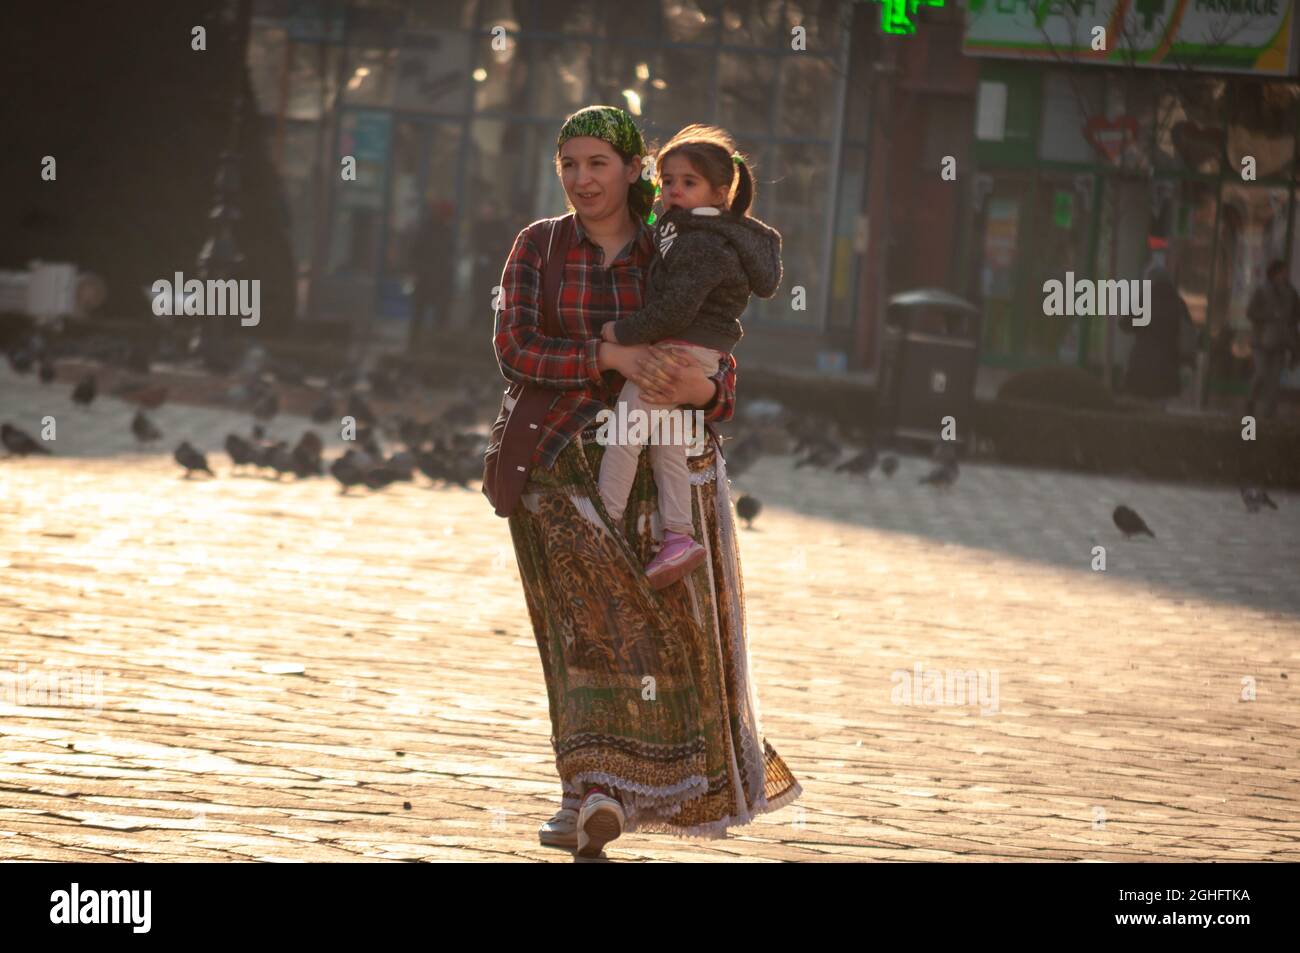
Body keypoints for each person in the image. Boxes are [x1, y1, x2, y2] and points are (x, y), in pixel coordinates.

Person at [492, 104, 802, 856]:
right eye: (569, 164)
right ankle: (590, 789)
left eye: (599, 163)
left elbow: (717, 371)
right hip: (560, 469)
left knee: (666, 649)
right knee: (580, 640)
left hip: (668, 483)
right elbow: (514, 347)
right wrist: (610, 357)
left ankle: (632, 789)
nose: (582, 179)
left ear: (636, 171)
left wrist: (697, 389)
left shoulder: (675, 246)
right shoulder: (538, 246)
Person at [596, 124, 782, 589]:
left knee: (624, 434)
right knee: (669, 443)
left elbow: (675, 308)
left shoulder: (703, 243)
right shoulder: (690, 229)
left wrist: (620, 333)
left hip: (678, 352)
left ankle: (602, 526)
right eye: (667, 180)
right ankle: (678, 536)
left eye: (688, 182)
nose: (673, 190)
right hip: (697, 354)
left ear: (720, 192)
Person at [1119, 262, 1189, 401]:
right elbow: (1187, 330)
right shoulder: (1178, 303)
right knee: (1162, 403)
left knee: (1140, 405)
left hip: (1142, 363)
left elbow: (1124, 325)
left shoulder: (1144, 300)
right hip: (1168, 364)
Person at [1245, 259, 1300, 418]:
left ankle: (1269, 411)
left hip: (1281, 341)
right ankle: (1251, 401)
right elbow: (1251, 312)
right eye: (1282, 271)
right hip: (1261, 340)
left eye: (1285, 272)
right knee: (1261, 373)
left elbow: (1295, 316)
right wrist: (1269, 317)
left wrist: (1292, 335)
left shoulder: (1292, 293)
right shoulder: (1262, 290)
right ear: (1274, 273)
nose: (1284, 275)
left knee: (1275, 378)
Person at [407, 199, 454, 348]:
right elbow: (416, 252)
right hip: (426, 276)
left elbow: (448, 254)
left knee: (434, 311)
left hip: (437, 277)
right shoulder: (428, 229)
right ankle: (418, 341)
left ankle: (429, 341)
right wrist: (416, 271)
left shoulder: (443, 230)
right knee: (421, 310)